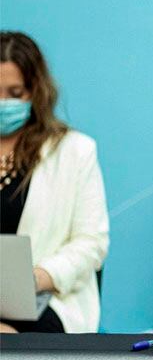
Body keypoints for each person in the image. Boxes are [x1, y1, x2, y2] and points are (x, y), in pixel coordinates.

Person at [0, 31, 109, 333]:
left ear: (36, 92)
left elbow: (91, 244)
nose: (3, 102)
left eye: (15, 93)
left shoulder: (74, 151)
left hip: (46, 301)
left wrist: (32, 280)